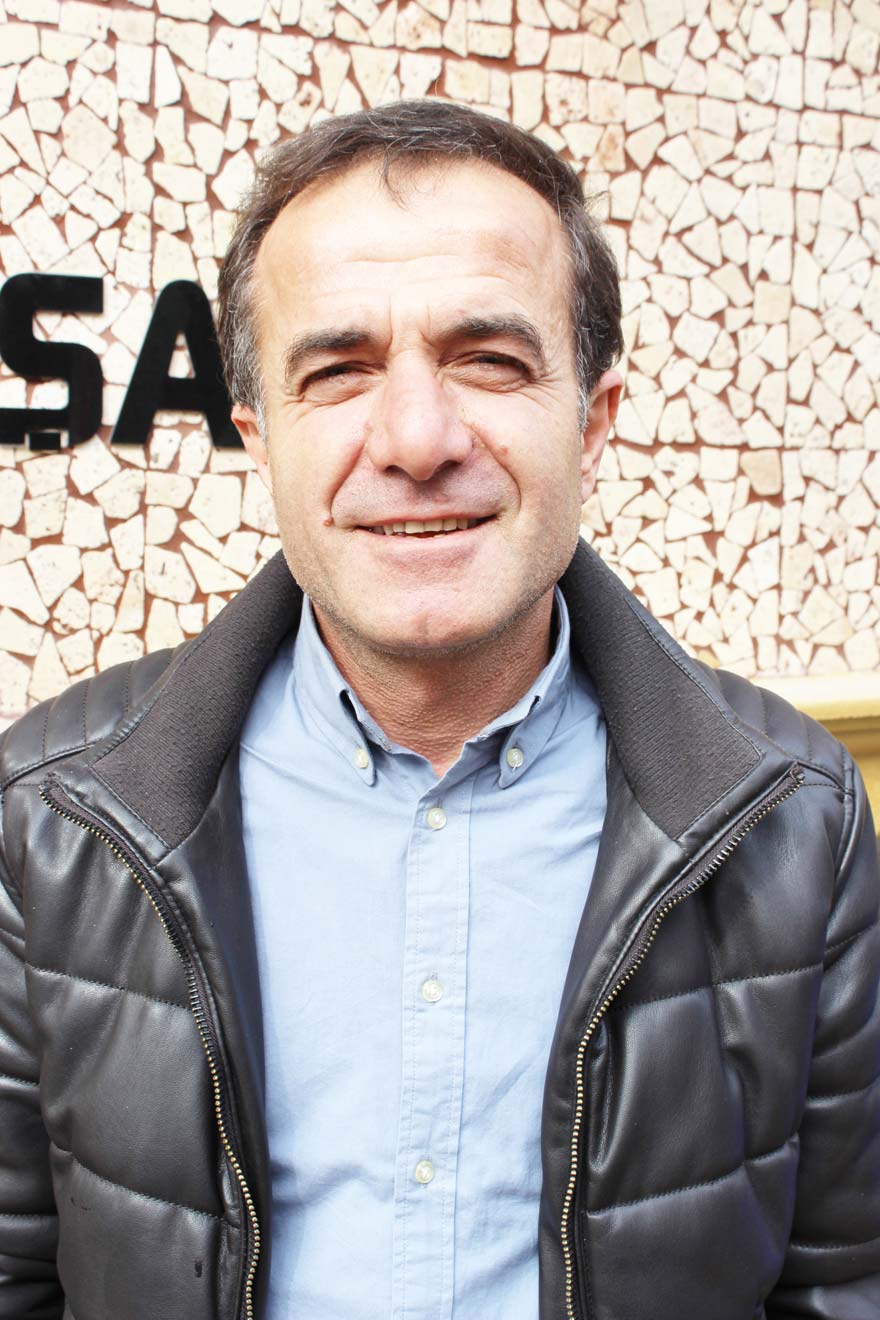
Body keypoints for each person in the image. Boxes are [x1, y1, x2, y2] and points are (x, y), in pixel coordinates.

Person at [0, 100, 878, 1320]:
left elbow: (842, 1285)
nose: (416, 440)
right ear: (261, 437)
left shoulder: (796, 823)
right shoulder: (48, 820)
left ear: (594, 418)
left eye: (489, 360)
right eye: (338, 371)